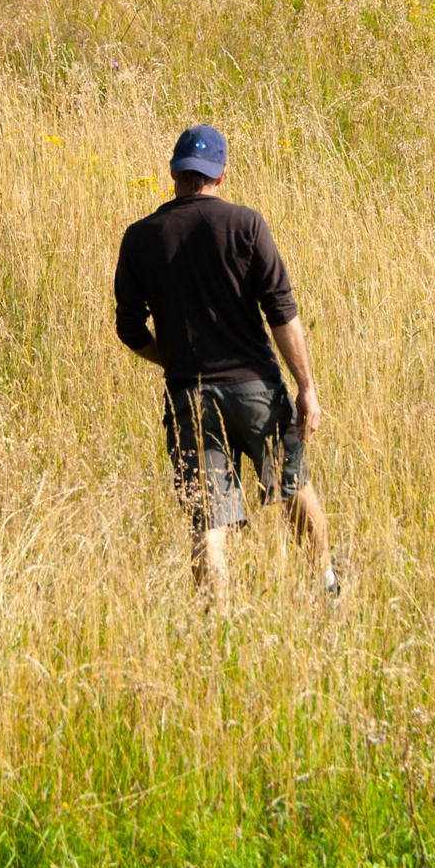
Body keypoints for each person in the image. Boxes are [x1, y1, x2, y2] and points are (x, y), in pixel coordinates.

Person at [113, 123, 335, 608]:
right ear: (221, 175)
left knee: (207, 521)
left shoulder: (140, 238)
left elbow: (129, 330)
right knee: (293, 485)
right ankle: (327, 589)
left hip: (189, 397)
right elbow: (282, 312)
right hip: (254, 386)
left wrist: (171, 358)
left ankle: (217, 623)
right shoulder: (246, 224)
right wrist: (306, 385)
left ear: (174, 172)